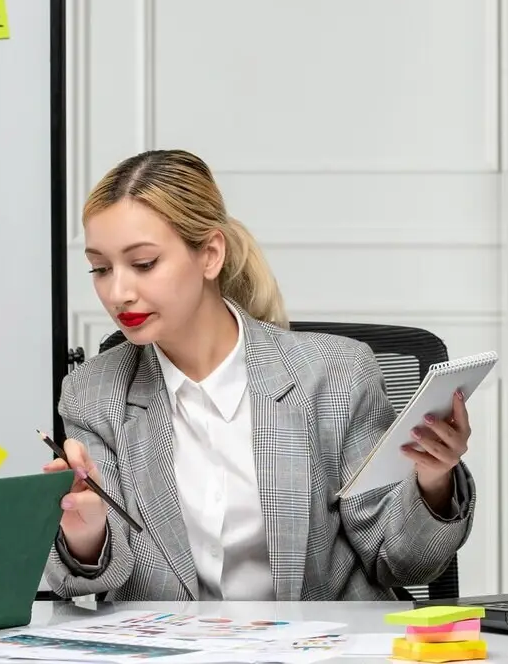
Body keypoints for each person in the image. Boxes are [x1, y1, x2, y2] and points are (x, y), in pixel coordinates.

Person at [42, 149, 477, 601]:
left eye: (144, 263)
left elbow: (399, 561)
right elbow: (94, 577)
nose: (118, 292)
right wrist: (87, 532)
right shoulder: (91, 394)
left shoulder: (337, 375)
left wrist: (433, 480)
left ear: (210, 254)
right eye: (100, 268)